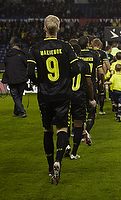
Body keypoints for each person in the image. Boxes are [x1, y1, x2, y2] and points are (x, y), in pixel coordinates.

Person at [27, 15, 80, 185]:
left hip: (45, 94)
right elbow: (77, 68)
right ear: (58, 29)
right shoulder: (66, 47)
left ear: (44, 29)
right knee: (62, 128)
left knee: (47, 130)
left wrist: (39, 83)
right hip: (62, 94)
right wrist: (64, 79)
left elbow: (29, 73)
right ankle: (58, 160)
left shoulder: (35, 48)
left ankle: (50, 168)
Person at [69, 43, 96, 160]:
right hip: (79, 96)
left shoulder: (65, 63)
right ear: (79, 53)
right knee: (78, 123)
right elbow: (89, 83)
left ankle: (66, 145)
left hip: (66, 96)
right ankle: (74, 152)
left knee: (64, 124)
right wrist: (91, 98)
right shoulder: (84, 64)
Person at [78, 35, 101, 145]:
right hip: (91, 86)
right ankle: (86, 131)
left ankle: (80, 132)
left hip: (77, 88)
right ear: (88, 44)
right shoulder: (94, 55)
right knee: (91, 112)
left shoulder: (76, 55)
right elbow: (100, 71)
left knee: (79, 113)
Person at [2, 44, 28, 118]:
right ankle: (22, 111)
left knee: (15, 96)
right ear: (18, 49)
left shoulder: (7, 56)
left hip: (11, 79)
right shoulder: (22, 55)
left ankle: (16, 112)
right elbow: (26, 65)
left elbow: (6, 66)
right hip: (21, 78)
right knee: (19, 96)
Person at [91, 38, 110, 115]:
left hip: (91, 74)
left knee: (93, 92)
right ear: (100, 45)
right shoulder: (102, 53)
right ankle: (101, 110)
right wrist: (111, 71)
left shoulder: (90, 52)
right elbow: (106, 63)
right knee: (101, 91)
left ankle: (94, 111)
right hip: (100, 72)